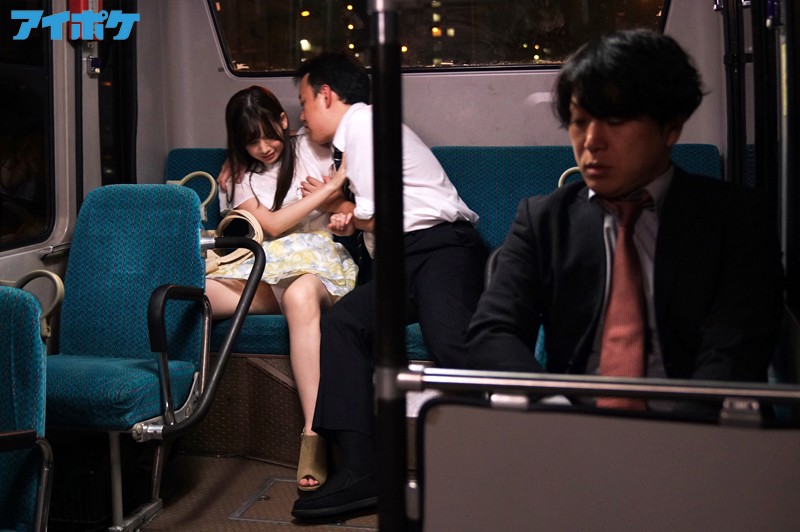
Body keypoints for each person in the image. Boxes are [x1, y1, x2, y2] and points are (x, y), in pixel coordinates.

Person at [466, 30, 784, 407]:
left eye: (614, 120)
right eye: (579, 121)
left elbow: (734, 349)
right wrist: (551, 408)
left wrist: (679, 430)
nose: (591, 142)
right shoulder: (543, 219)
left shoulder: (736, 218)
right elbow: (492, 332)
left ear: (671, 127)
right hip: (571, 420)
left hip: (694, 425)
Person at [290, 53, 488, 519]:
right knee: (343, 324)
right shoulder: (357, 136)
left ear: (326, 95)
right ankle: (362, 470)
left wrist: (347, 213)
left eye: (304, 102)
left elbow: (376, 214)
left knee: (449, 338)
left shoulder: (363, 124)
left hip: (442, 247)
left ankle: (502, 458)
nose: (302, 115)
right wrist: (350, 216)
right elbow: (377, 214)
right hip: (403, 259)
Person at [206, 85, 358, 491]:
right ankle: (168, 416)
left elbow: (360, 132)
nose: (263, 147)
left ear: (284, 121)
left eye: (269, 134)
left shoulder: (313, 147)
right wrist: (328, 190)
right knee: (195, 297)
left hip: (317, 261)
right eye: (250, 141)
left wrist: (339, 190)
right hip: (263, 266)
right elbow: (271, 227)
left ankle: (314, 433)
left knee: (299, 295)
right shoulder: (240, 176)